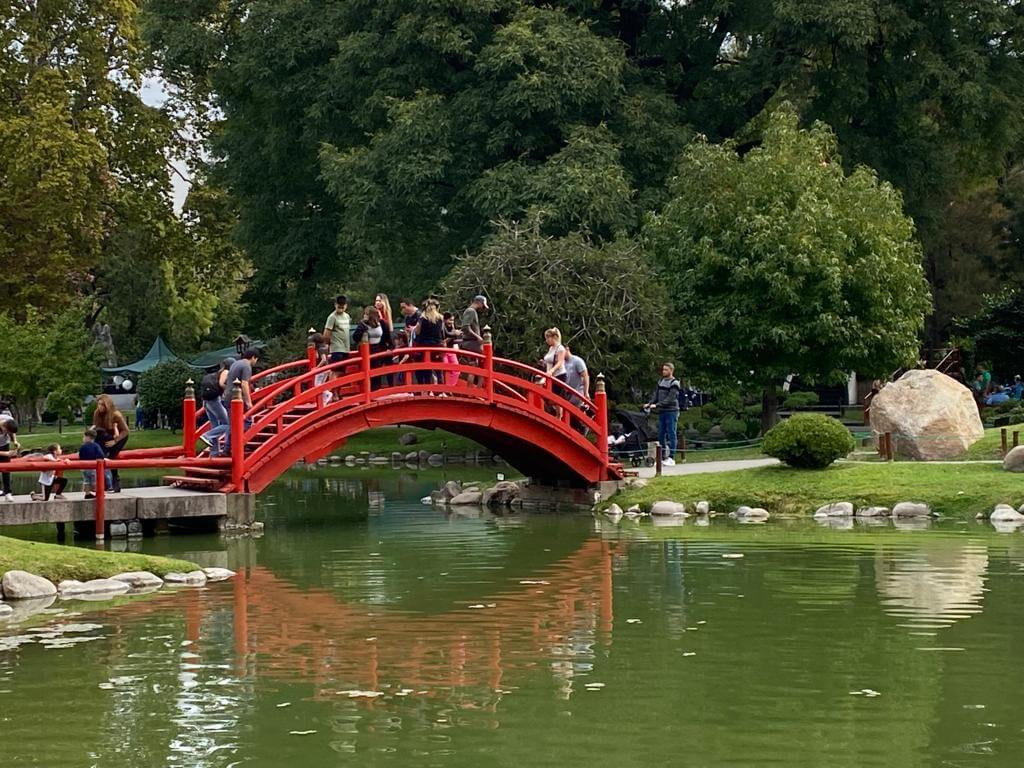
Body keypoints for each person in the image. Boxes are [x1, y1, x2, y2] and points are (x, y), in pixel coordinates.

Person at [223, 348, 260, 455]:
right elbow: (244, 384)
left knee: (233, 424)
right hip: (238, 398)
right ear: (253, 357)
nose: (255, 362)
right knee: (247, 422)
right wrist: (248, 402)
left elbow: (226, 381)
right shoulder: (246, 366)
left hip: (228, 396)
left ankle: (228, 448)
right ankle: (238, 444)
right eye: (256, 359)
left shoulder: (235, 364)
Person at [644, 363, 681, 465]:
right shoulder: (661, 381)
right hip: (662, 411)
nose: (663, 371)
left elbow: (670, 398)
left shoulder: (674, 383)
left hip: (672, 411)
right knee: (661, 434)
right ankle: (663, 456)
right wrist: (650, 403)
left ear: (671, 371)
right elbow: (656, 395)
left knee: (671, 433)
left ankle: (671, 457)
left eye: (666, 370)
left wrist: (657, 405)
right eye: (663, 369)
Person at [92, 394, 130, 492]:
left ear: (107, 405)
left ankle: (116, 483)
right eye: (98, 404)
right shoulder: (97, 413)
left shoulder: (115, 414)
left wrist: (115, 441)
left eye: (102, 405)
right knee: (99, 455)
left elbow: (125, 431)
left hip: (119, 436)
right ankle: (102, 484)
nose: (99, 407)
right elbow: (97, 428)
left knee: (111, 457)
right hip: (104, 434)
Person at [353, 306, 393, 389]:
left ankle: (378, 390)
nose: (364, 316)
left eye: (366, 314)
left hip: (378, 348)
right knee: (367, 372)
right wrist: (361, 329)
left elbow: (388, 339)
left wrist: (390, 348)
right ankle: (368, 391)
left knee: (377, 373)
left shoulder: (382, 323)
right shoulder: (362, 324)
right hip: (367, 350)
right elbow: (355, 338)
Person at [200, 360, 231, 456]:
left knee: (215, 426)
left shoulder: (215, 374)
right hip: (214, 400)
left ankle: (214, 452)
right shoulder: (226, 371)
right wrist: (229, 389)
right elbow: (222, 384)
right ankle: (207, 435)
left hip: (206, 400)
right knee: (229, 424)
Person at [413, 299, 445, 385]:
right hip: (437, 347)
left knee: (424, 369)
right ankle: (441, 389)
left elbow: (417, 332)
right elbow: (441, 333)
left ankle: (425, 388)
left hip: (424, 346)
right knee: (438, 369)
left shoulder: (423, 318)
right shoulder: (440, 318)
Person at [460, 295, 488, 387]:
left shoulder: (471, 311)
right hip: (472, 343)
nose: (483, 308)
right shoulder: (471, 311)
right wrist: (478, 337)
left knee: (477, 367)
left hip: (471, 343)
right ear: (479, 302)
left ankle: (475, 391)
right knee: (480, 367)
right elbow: (465, 327)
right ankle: (473, 391)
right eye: (483, 305)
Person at [79, 428, 113, 499]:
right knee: (96, 480)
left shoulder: (82, 446)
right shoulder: (96, 446)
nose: (83, 438)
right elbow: (101, 455)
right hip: (93, 467)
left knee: (86, 480)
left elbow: (80, 456)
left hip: (84, 467)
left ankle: (87, 493)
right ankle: (99, 492)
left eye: (84, 437)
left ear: (88, 437)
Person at [543, 328, 569, 414]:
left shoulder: (560, 348)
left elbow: (560, 362)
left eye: (547, 338)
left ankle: (559, 416)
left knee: (557, 397)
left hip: (559, 374)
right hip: (550, 375)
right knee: (551, 396)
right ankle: (557, 414)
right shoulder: (551, 348)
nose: (546, 340)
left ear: (553, 337)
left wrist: (551, 370)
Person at [323, 294, 352, 367]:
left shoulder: (347, 316)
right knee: (337, 371)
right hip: (336, 349)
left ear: (346, 305)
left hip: (346, 349)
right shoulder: (332, 317)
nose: (341, 306)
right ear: (335, 304)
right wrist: (327, 344)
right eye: (339, 304)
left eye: (343, 304)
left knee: (343, 372)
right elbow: (326, 334)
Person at [0, 419, 19, 501]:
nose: (7, 433)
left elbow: (13, 432)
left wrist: (15, 441)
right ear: (4, 427)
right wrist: (6, 454)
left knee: (6, 469)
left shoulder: (8, 419)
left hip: (4, 444)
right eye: (7, 431)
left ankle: (8, 493)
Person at [442, 312, 462, 388]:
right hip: (443, 351)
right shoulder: (442, 327)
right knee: (446, 370)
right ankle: (445, 389)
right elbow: (443, 341)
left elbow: (454, 340)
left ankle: (450, 387)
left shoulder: (453, 327)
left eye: (453, 320)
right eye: (450, 320)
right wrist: (453, 334)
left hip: (451, 350)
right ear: (445, 320)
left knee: (456, 370)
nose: (451, 322)